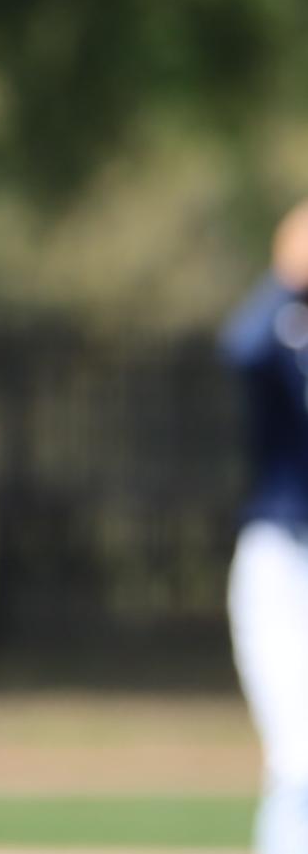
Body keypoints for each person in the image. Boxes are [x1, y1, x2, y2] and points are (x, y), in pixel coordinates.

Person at [220, 200, 308, 854]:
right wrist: (286, 275)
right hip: (282, 555)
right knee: (299, 749)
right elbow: (240, 349)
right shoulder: (281, 327)